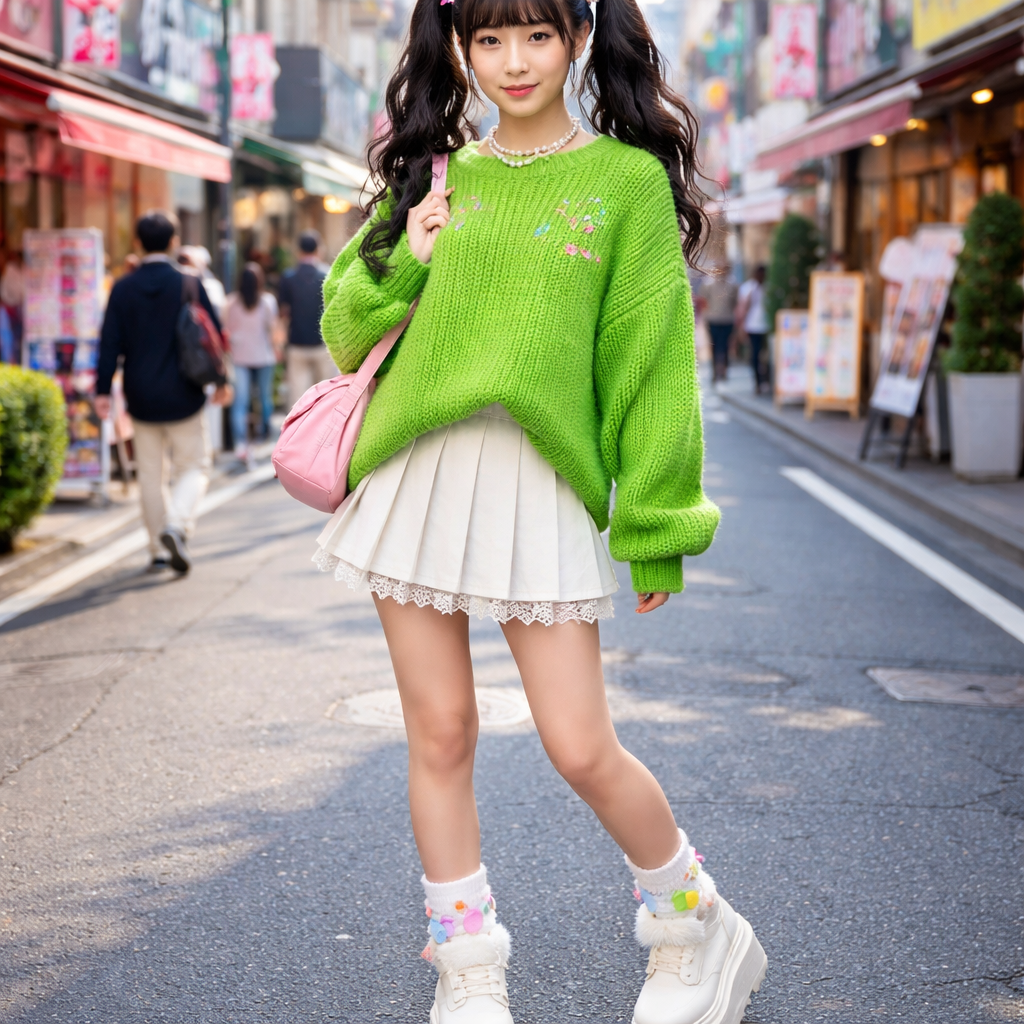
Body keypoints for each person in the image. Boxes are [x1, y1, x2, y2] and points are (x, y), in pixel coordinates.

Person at [308, 1, 769, 1022]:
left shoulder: (623, 182)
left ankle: (695, 925)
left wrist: (656, 524)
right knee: (439, 731)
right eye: (488, 40)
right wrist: (407, 256)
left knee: (578, 743)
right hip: (417, 480)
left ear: (578, 38)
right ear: (459, 50)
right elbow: (343, 328)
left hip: (539, 484)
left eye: (536, 35)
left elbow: (650, 368)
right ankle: (468, 975)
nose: (512, 63)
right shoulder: (434, 172)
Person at [96, 211, 229, 575]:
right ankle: (178, 524)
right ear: (173, 242)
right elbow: (213, 336)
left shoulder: (123, 288)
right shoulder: (189, 282)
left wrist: (102, 389)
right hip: (184, 392)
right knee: (194, 466)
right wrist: (221, 381)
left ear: (138, 243)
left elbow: (108, 343)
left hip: (139, 395)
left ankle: (156, 548)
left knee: (151, 475)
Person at [224, 262, 280, 467]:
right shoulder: (267, 302)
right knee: (264, 399)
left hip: (239, 357)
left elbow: (226, 329)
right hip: (263, 356)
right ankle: (263, 437)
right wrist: (277, 348)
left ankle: (241, 443)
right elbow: (272, 329)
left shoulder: (231, 303)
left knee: (240, 403)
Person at [278, 229, 333, 408]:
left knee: (298, 399)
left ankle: (298, 435)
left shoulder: (288, 278)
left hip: (297, 343)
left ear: (298, 250)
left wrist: (280, 342)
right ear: (319, 249)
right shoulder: (327, 275)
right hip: (323, 344)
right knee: (326, 398)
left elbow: (283, 313)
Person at [698, 263, 738, 384]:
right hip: (714, 319)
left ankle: (723, 370)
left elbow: (734, 301)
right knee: (716, 346)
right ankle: (716, 371)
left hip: (726, 319)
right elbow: (704, 300)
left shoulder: (732, 284)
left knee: (724, 346)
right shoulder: (708, 284)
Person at [736, 264, 769, 393]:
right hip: (752, 326)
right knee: (755, 354)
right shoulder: (748, 288)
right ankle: (757, 382)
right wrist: (741, 326)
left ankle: (765, 380)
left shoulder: (769, 288)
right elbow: (742, 308)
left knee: (766, 355)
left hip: (767, 326)